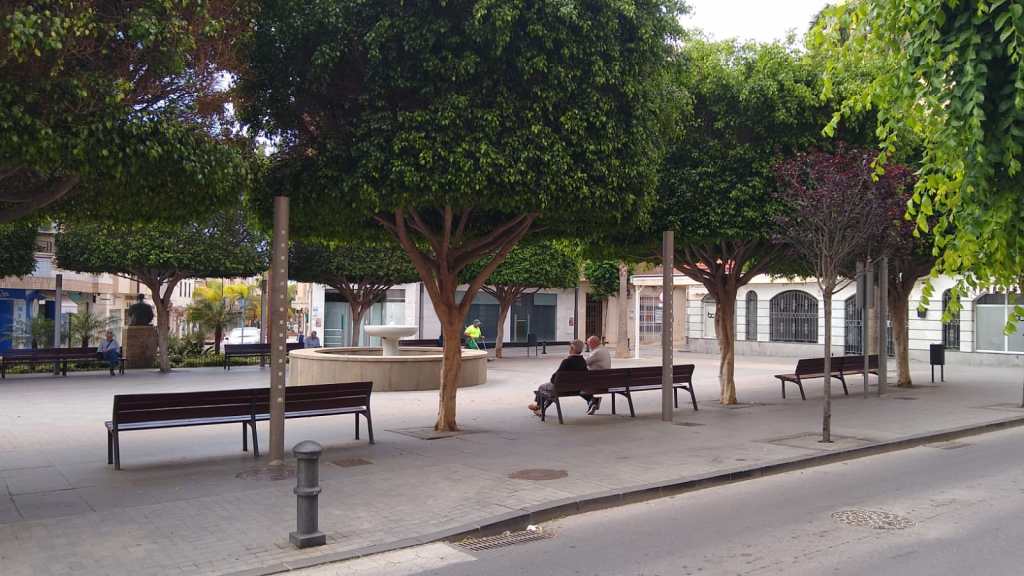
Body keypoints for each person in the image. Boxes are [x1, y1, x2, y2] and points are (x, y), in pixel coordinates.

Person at [528, 339, 589, 417]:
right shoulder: (583, 361)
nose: (569, 349)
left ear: (572, 348)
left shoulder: (566, 361)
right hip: (577, 388)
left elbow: (554, 379)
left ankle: (538, 406)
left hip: (561, 388)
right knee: (551, 391)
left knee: (542, 387)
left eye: (570, 347)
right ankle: (539, 408)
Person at [584, 335, 611, 413]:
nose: (588, 346)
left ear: (593, 343)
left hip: (598, 380)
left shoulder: (597, 352)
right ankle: (592, 401)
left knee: (577, 384)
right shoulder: (603, 349)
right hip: (604, 378)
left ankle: (592, 400)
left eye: (588, 344)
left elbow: (585, 363)